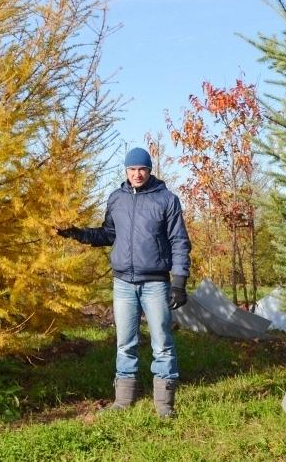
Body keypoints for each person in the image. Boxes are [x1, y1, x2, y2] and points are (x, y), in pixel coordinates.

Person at [57, 147, 191, 418]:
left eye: (141, 169)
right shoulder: (116, 198)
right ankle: (122, 401)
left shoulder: (166, 200)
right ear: (126, 171)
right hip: (123, 284)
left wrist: (178, 282)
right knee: (125, 342)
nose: (137, 174)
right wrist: (77, 234)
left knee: (162, 343)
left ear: (150, 170)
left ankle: (165, 405)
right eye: (132, 169)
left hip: (155, 283)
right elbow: (108, 234)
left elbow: (179, 241)